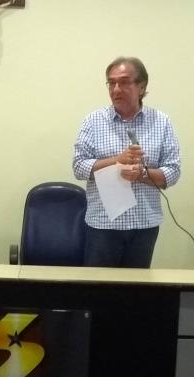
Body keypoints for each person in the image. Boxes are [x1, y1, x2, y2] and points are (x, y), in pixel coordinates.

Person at [73, 56, 181, 268]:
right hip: (103, 224)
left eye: (123, 82)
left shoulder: (161, 122)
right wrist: (117, 161)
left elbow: (173, 172)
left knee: (135, 288)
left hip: (144, 226)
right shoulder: (93, 121)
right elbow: (78, 167)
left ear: (142, 87)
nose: (116, 89)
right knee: (97, 286)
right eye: (111, 83)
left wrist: (142, 174)